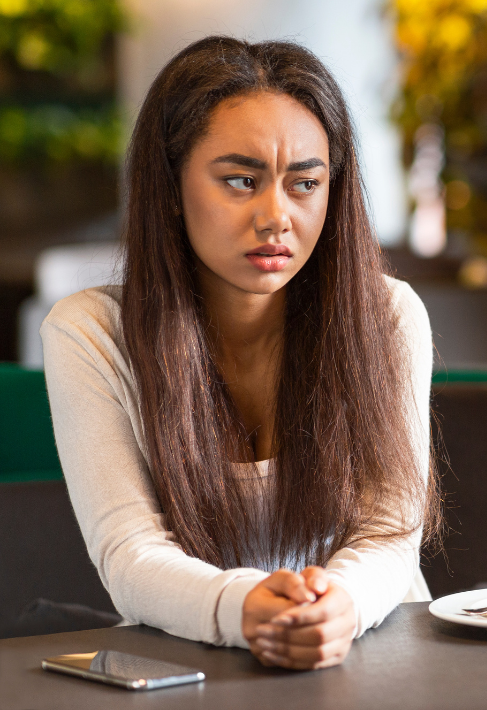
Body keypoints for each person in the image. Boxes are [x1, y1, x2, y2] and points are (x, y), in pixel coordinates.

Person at [41, 37, 438, 670]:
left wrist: (339, 603)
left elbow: (390, 534)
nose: (277, 216)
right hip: (192, 666)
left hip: (371, 652)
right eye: (241, 181)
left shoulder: (388, 317)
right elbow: (130, 554)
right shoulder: (90, 332)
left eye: (305, 182)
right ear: (170, 186)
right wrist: (248, 607)